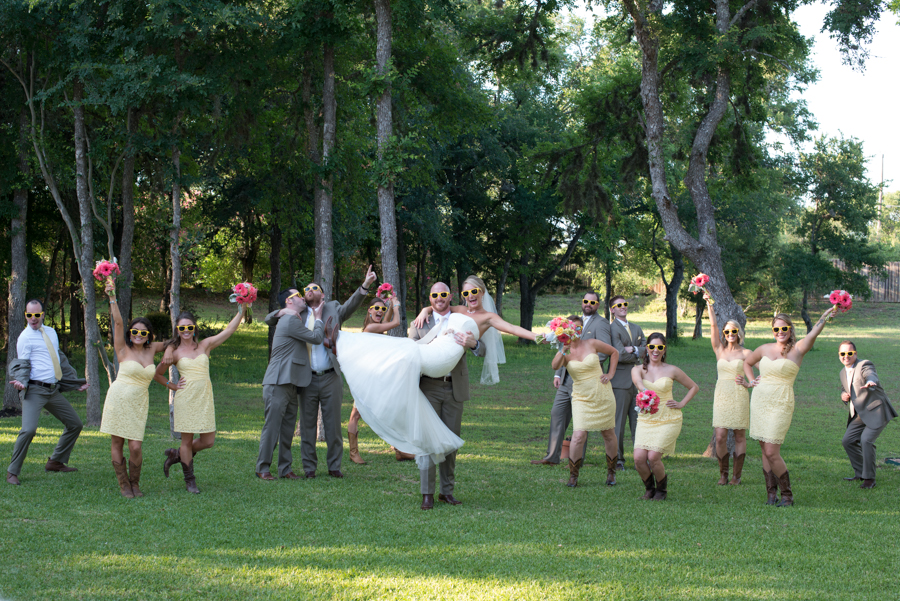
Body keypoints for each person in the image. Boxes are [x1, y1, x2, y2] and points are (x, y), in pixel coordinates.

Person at [264, 265, 375, 478]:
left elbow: (352, 305)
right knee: (307, 426)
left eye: (314, 287)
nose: (309, 290)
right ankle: (309, 468)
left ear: (322, 294)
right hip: (306, 378)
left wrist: (365, 285)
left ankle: (334, 466)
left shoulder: (333, 307)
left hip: (330, 375)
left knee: (333, 425)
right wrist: (281, 310)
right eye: (306, 289)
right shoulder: (297, 312)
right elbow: (269, 320)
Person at [741, 308, 835, 507]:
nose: (780, 332)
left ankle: (787, 495)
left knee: (772, 450)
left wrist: (824, 316)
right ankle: (770, 494)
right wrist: (751, 381)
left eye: (784, 328)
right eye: (776, 329)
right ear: (772, 331)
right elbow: (747, 363)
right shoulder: (764, 348)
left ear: (791, 330)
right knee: (764, 450)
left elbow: (814, 332)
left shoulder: (798, 349)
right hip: (760, 402)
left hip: (781, 403)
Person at [100, 283, 180, 498]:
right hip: (118, 398)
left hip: (139, 402)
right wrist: (112, 296)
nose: (138, 335)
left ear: (149, 336)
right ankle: (124, 484)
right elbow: (117, 322)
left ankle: (135, 483)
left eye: (143, 333)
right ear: (130, 333)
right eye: (134, 331)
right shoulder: (122, 348)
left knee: (135, 446)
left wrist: (170, 349)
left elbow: (174, 341)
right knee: (117, 442)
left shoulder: (151, 348)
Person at [156, 305, 245, 493]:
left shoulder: (205, 345)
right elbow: (157, 375)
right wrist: (172, 386)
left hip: (204, 398)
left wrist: (242, 309)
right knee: (186, 441)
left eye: (190, 327)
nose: (186, 331)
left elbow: (229, 330)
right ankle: (190, 481)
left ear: (195, 329)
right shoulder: (174, 351)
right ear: (177, 331)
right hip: (186, 399)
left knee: (208, 441)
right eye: (182, 328)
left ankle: (177, 455)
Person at [6, 300, 88, 486]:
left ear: (43, 314)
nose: (33, 319)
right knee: (28, 430)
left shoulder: (50, 332)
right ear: (25, 315)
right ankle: (12, 472)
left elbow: (58, 359)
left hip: (52, 390)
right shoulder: (25, 337)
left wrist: (74, 383)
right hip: (34, 390)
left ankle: (55, 462)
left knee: (75, 424)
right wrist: (20, 382)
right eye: (29, 315)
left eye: (36, 315)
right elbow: (21, 364)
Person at [532, 292, 612, 467]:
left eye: (592, 302)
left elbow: (605, 352)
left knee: (582, 420)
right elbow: (564, 349)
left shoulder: (601, 323)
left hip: (587, 380)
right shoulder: (569, 323)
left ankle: (577, 460)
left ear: (598, 304)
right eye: (585, 301)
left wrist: (584, 367)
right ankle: (552, 456)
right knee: (557, 414)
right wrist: (558, 373)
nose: (588, 304)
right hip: (566, 379)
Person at [255, 289, 324, 480]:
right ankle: (262, 467)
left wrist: (280, 311)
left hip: (293, 381)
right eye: (299, 295)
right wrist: (318, 319)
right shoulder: (290, 319)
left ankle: (285, 469)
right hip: (278, 381)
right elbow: (316, 338)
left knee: (287, 428)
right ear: (288, 301)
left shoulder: (293, 315)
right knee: (273, 426)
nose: (303, 297)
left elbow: (270, 317)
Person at [550, 316, 619, 487]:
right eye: (573, 329)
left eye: (580, 329)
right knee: (579, 435)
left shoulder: (592, 343)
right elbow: (554, 366)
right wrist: (563, 349)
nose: (577, 332)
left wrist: (610, 374)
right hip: (581, 396)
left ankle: (611, 473)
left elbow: (614, 352)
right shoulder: (564, 352)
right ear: (566, 331)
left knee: (608, 433)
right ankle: (573, 475)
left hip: (602, 394)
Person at [631, 333, 699, 501]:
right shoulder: (638, 369)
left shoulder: (672, 370)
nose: (656, 351)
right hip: (647, 419)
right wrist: (643, 390)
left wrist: (681, 403)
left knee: (653, 457)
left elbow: (693, 387)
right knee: (639, 458)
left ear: (664, 349)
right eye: (652, 347)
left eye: (660, 347)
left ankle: (661, 490)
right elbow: (638, 382)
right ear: (647, 348)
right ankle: (649, 489)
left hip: (668, 418)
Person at [346, 295, 402, 465]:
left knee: (389, 411)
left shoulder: (377, 326)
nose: (379, 311)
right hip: (365, 378)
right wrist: (397, 307)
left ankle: (399, 449)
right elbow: (395, 323)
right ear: (369, 310)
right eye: (376, 308)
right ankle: (353, 452)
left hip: (377, 377)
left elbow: (385, 321)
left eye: (382, 309)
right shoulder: (370, 328)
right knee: (356, 415)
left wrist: (390, 305)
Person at [704, 294, 751, 485]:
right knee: (720, 436)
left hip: (739, 395)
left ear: (739, 333)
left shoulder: (747, 353)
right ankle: (723, 473)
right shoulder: (719, 349)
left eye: (734, 331)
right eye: (727, 331)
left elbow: (758, 376)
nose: (730, 334)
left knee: (739, 435)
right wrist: (709, 305)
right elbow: (713, 326)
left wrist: (748, 384)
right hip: (722, 395)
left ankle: (736, 476)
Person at [837, 340, 896, 489]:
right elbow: (848, 390)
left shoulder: (864, 365)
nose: (846, 356)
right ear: (839, 355)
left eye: (849, 353)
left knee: (866, 440)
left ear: (855, 354)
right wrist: (844, 395)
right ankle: (860, 473)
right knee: (847, 441)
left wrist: (870, 381)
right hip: (860, 413)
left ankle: (869, 479)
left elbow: (870, 374)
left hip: (877, 411)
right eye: (842, 353)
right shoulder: (842, 372)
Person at [609, 295, 646, 470]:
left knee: (638, 422)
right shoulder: (611, 329)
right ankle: (617, 460)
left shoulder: (637, 328)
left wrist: (636, 349)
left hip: (638, 382)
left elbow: (649, 350)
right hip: (620, 382)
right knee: (618, 424)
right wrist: (636, 352)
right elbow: (620, 354)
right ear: (612, 309)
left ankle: (642, 458)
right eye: (619, 305)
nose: (623, 307)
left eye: (625, 304)